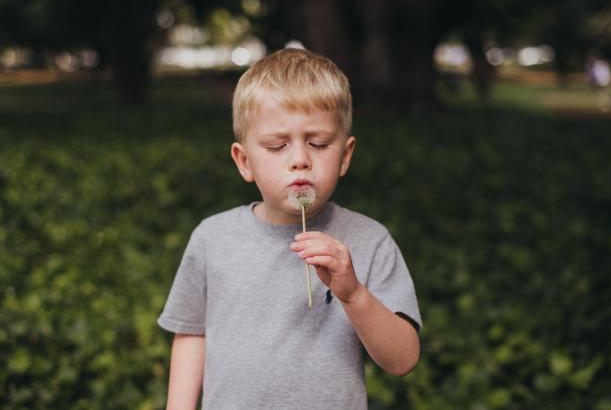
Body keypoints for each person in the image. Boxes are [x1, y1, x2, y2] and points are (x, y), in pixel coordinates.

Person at [157, 48, 422, 410]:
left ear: (345, 156)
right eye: (277, 146)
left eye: (318, 143)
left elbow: (403, 359)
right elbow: (191, 333)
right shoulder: (212, 239)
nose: (300, 159)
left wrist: (354, 294)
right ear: (245, 161)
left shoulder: (369, 241)